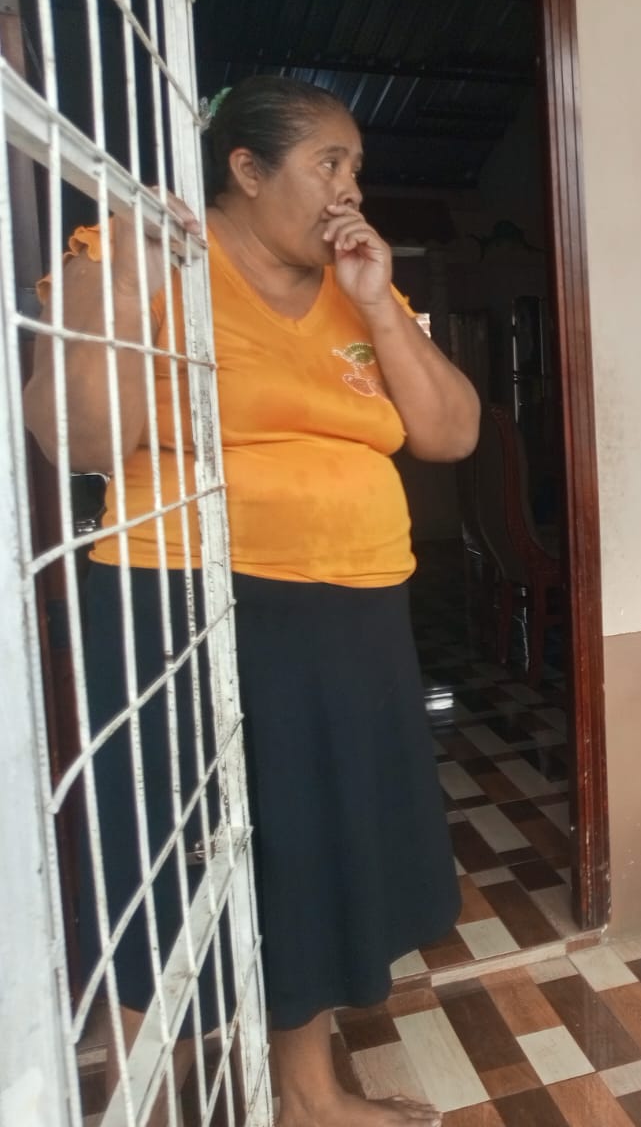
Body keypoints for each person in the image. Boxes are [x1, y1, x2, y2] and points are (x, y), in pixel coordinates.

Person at [24, 75, 479, 1127]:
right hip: (183, 598)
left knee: (310, 848)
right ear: (246, 168)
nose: (349, 188)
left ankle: (307, 1094)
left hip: (353, 613)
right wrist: (130, 277)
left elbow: (450, 433)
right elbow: (77, 441)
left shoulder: (358, 291)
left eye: (356, 169)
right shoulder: (137, 254)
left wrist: (380, 304)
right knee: (172, 852)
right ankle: (147, 1092)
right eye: (329, 163)